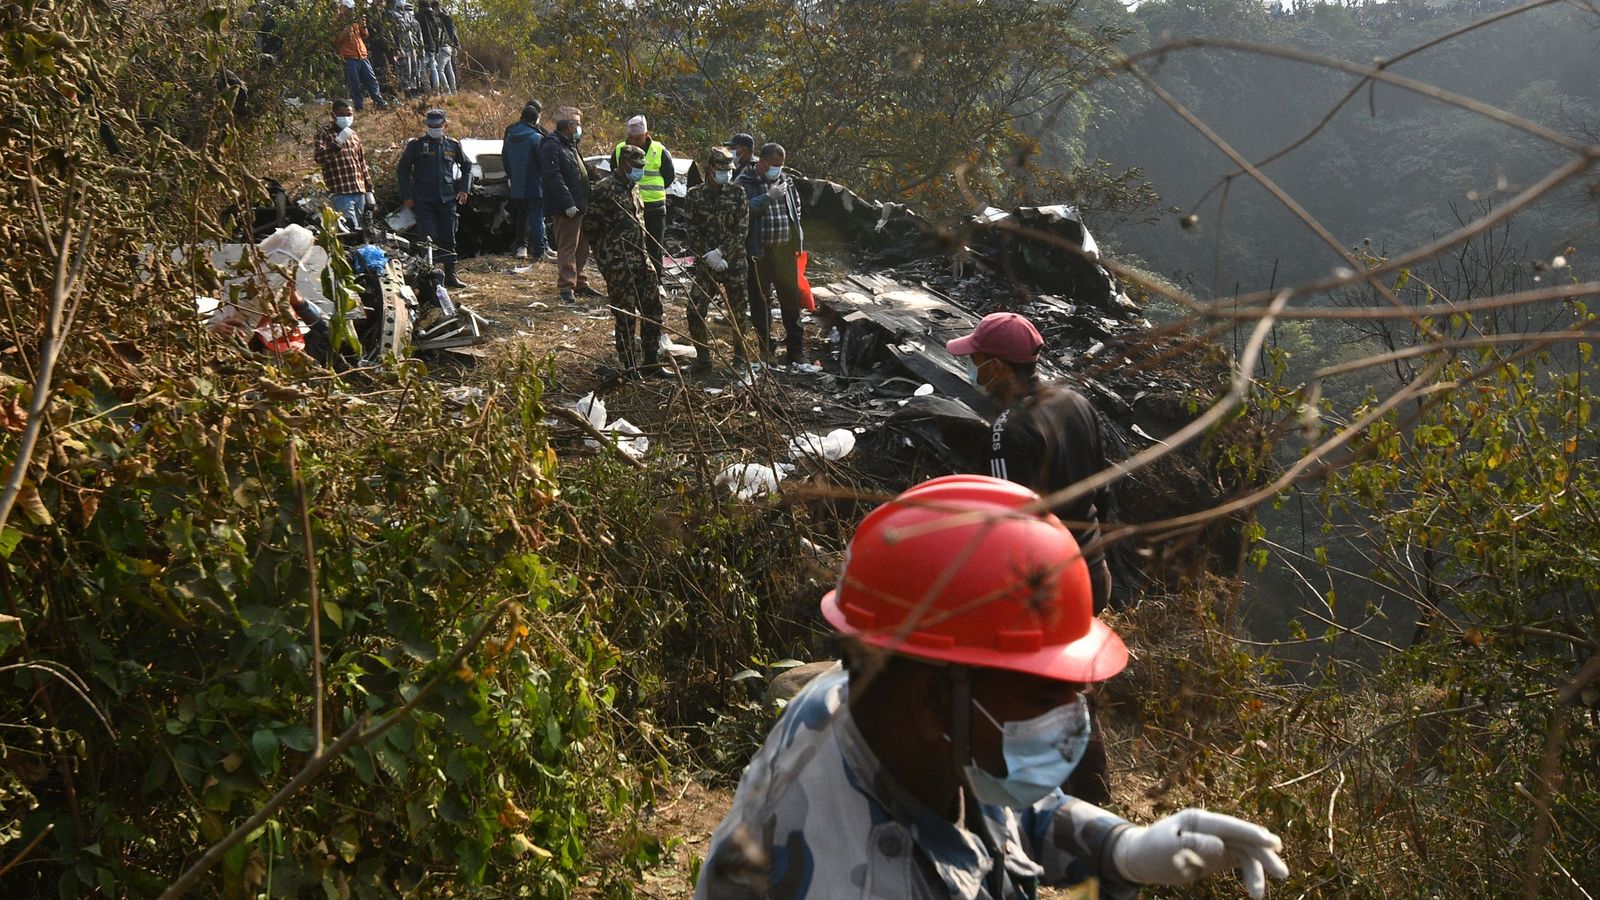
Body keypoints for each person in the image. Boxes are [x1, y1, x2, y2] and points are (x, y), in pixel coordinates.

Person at [695, 475, 1289, 900]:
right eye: (1042, 695)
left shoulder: (881, 708)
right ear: (932, 701)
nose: (1073, 717)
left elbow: (1005, 813)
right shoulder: (866, 877)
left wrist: (1120, 851)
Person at [946, 312, 1114, 614]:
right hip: (1094, 578)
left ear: (995, 367)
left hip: (1053, 597)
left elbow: (1009, 532)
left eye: (974, 358)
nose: (969, 365)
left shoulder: (1007, 432)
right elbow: (1102, 495)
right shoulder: (1075, 402)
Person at [585, 144, 666, 377]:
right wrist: (607, 260)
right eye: (636, 166)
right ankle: (630, 366)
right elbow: (589, 227)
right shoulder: (605, 189)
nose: (640, 170)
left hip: (642, 261)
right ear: (623, 164)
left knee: (653, 310)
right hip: (619, 265)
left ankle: (651, 362)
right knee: (626, 316)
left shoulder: (634, 187)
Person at [682, 147, 751, 372]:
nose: (726, 174)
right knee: (694, 310)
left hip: (734, 262)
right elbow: (691, 229)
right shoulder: (695, 194)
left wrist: (721, 252)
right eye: (721, 170)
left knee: (738, 313)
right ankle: (703, 360)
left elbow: (742, 229)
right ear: (710, 169)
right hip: (706, 264)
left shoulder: (738, 193)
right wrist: (708, 256)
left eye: (729, 170)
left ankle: (740, 359)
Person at [736, 142, 805, 365]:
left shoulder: (786, 181)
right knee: (760, 302)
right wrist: (768, 197)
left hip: (784, 251)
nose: (778, 169)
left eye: (781, 165)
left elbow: (796, 208)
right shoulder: (744, 181)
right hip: (759, 252)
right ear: (762, 162)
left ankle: (796, 350)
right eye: (775, 164)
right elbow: (740, 212)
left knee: (791, 300)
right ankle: (767, 349)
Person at [395, 108, 473, 288]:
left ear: (445, 125)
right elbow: (403, 170)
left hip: (447, 199)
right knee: (428, 237)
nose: (434, 129)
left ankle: (450, 275)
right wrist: (406, 195)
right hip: (424, 199)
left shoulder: (453, 145)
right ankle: (428, 278)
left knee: (449, 237)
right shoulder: (417, 145)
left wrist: (464, 189)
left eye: (437, 126)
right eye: (430, 126)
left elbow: (467, 167)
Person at [540, 108, 599, 303]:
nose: (580, 128)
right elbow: (553, 176)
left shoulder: (570, 144)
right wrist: (567, 203)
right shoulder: (552, 144)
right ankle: (566, 286)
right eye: (578, 125)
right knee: (567, 247)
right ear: (569, 126)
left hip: (581, 205)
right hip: (566, 207)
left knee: (583, 247)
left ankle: (580, 282)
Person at [611, 115, 674, 283]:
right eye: (631, 138)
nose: (634, 142)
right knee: (631, 247)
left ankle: (656, 282)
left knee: (655, 248)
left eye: (638, 139)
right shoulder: (619, 150)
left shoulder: (659, 150)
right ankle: (632, 281)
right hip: (628, 208)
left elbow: (669, 176)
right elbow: (614, 174)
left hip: (654, 208)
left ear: (646, 135)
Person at [312, 99, 376, 231]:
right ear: (333, 115)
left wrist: (369, 187)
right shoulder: (324, 133)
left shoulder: (353, 135)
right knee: (350, 230)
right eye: (341, 114)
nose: (346, 118)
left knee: (363, 230)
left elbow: (361, 162)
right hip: (341, 191)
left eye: (349, 114)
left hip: (359, 190)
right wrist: (336, 144)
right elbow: (319, 158)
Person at [502, 100, 551, 261]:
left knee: (522, 215)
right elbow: (544, 162)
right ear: (536, 118)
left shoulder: (510, 136)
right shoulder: (537, 137)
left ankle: (523, 247)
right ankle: (539, 251)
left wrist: (512, 176)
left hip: (517, 184)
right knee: (537, 217)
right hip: (535, 183)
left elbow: (506, 159)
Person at [334, 0, 387, 111]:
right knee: (355, 83)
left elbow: (365, 35)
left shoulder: (355, 19)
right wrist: (345, 31)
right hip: (349, 57)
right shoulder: (337, 20)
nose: (351, 10)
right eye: (349, 8)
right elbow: (335, 40)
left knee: (371, 80)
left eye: (352, 8)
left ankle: (379, 102)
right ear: (343, 7)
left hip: (362, 55)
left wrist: (363, 26)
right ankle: (359, 107)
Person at [426, 0, 459, 95]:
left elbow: (451, 32)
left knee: (440, 69)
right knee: (449, 69)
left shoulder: (442, 19)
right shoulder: (442, 18)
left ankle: (447, 91)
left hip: (444, 47)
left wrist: (455, 44)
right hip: (448, 47)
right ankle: (454, 91)